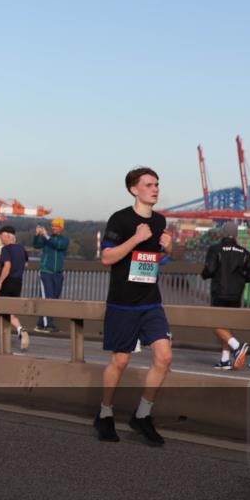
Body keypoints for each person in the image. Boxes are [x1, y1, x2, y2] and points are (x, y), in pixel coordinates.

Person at [94, 167, 173, 446]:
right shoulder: (121, 219)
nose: (155, 189)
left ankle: (142, 416)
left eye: (157, 184)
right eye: (149, 184)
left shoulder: (161, 221)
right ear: (133, 189)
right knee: (121, 360)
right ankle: (105, 414)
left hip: (151, 302)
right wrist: (136, 239)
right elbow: (107, 258)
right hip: (123, 303)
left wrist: (167, 250)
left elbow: (154, 262)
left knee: (164, 357)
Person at [200, 222, 250, 370]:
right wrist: (242, 279)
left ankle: (237, 346)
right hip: (236, 294)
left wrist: (204, 274)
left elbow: (210, 269)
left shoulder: (215, 249)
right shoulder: (244, 252)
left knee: (213, 322)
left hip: (219, 292)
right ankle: (225, 360)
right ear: (236, 234)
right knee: (227, 326)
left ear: (223, 233)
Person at [0, 225, 29, 351]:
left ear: (8, 236)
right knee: (11, 312)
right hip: (18, 283)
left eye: (1, 236)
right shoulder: (21, 249)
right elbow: (25, 262)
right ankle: (21, 329)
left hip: (7, 282)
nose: (0, 239)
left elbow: (7, 266)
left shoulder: (6, 249)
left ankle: (3, 343)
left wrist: (0, 281)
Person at [33, 218, 69, 333]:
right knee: (47, 298)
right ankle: (47, 324)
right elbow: (36, 245)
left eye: (56, 226)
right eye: (52, 226)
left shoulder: (64, 240)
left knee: (54, 298)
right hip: (46, 272)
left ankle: (41, 323)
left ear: (61, 228)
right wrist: (38, 235)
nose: (54, 228)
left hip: (58, 273)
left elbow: (58, 245)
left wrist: (46, 236)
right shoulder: (46, 238)